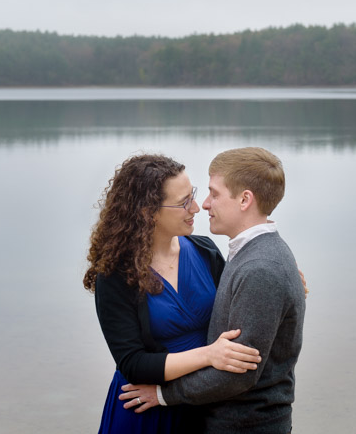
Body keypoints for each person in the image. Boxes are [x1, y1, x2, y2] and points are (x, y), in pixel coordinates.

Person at [119, 147, 306, 434]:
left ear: (245, 199)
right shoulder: (249, 256)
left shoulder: (260, 267)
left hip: (246, 425)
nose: (203, 205)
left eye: (214, 194)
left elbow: (239, 374)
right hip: (216, 418)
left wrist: (163, 395)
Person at [83, 154, 263, 434]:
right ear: (147, 212)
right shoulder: (116, 275)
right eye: (183, 203)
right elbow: (133, 364)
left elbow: (237, 302)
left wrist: (274, 279)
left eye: (192, 195)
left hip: (201, 402)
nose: (196, 207)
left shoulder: (205, 251)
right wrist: (209, 356)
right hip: (146, 411)